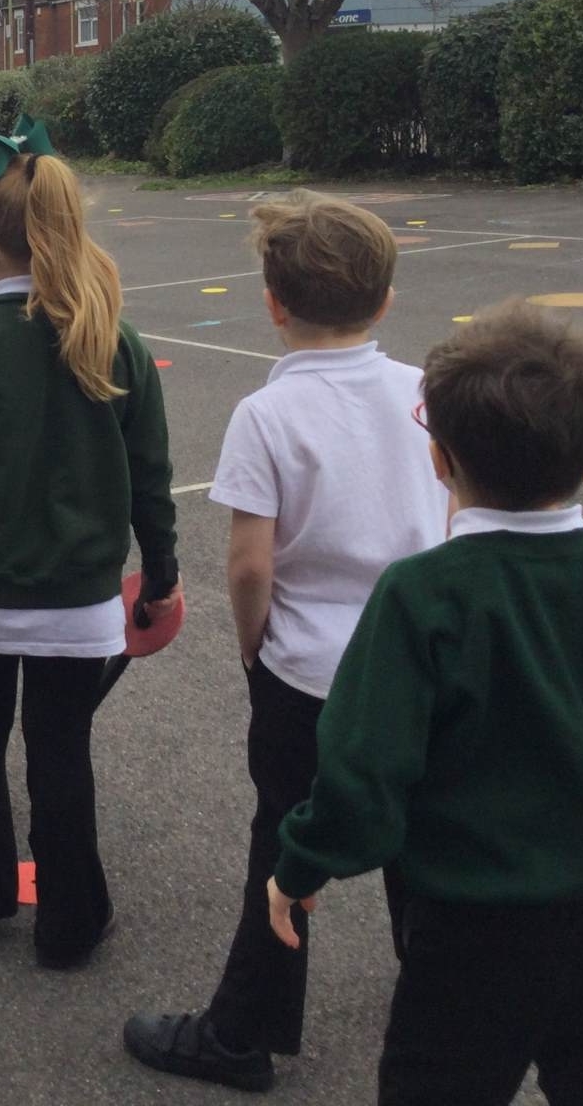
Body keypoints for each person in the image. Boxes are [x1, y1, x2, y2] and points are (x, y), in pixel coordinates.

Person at [268, 301, 583, 1105]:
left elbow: (363, 774)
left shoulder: (422, 595)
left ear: (440, 457)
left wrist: (300, 863)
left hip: (471, 932)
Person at [125, 191, 449, 1093]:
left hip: (308, 673)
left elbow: (249, 565)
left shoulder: (268, 415)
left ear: (273, 304)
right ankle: (440, 989)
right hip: (417, 665)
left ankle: (244, 1031)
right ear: (385, 300)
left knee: (285, 837)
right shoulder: (425, 392)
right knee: (423, 835)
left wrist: (254, 646)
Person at [0, 132, 180, 968]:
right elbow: (152, 478)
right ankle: (70, 919)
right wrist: (161, 572)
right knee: (61, 747)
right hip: (77, 596)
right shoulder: (113, 340)